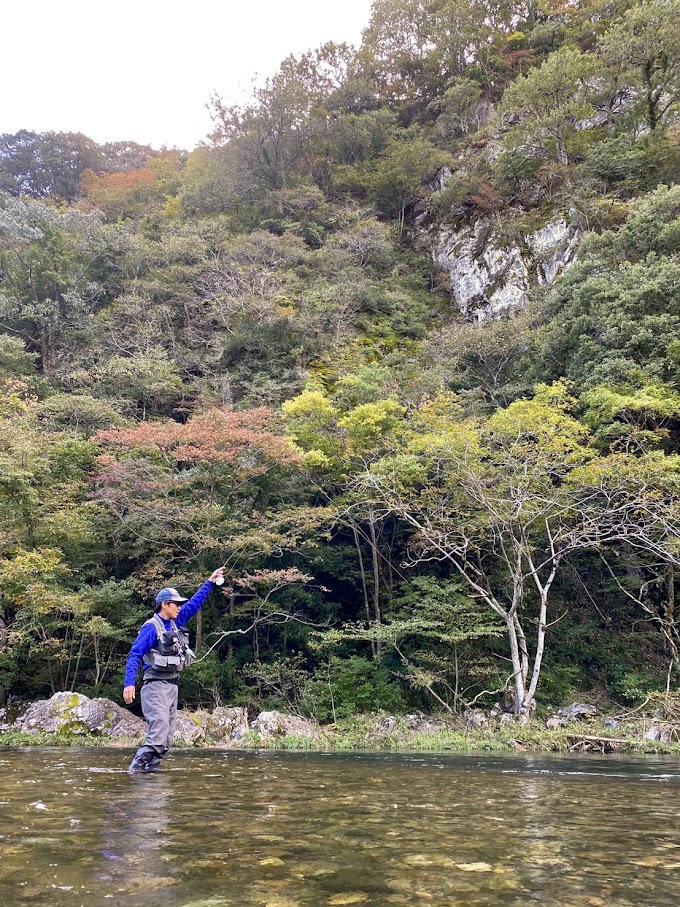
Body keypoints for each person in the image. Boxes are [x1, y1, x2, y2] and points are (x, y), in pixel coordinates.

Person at [123, 568, 224, 773]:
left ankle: (150, 774)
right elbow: (134, 655)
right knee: (158, 735)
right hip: (155, 687)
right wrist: (129, 683)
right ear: (164, 605)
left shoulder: (176, 621)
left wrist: (210, 582)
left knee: (167, 739)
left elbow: (195, 603)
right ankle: (133, 773)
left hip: (172, 687)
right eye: (176, 604)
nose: (179, 607)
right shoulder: (151, 627)